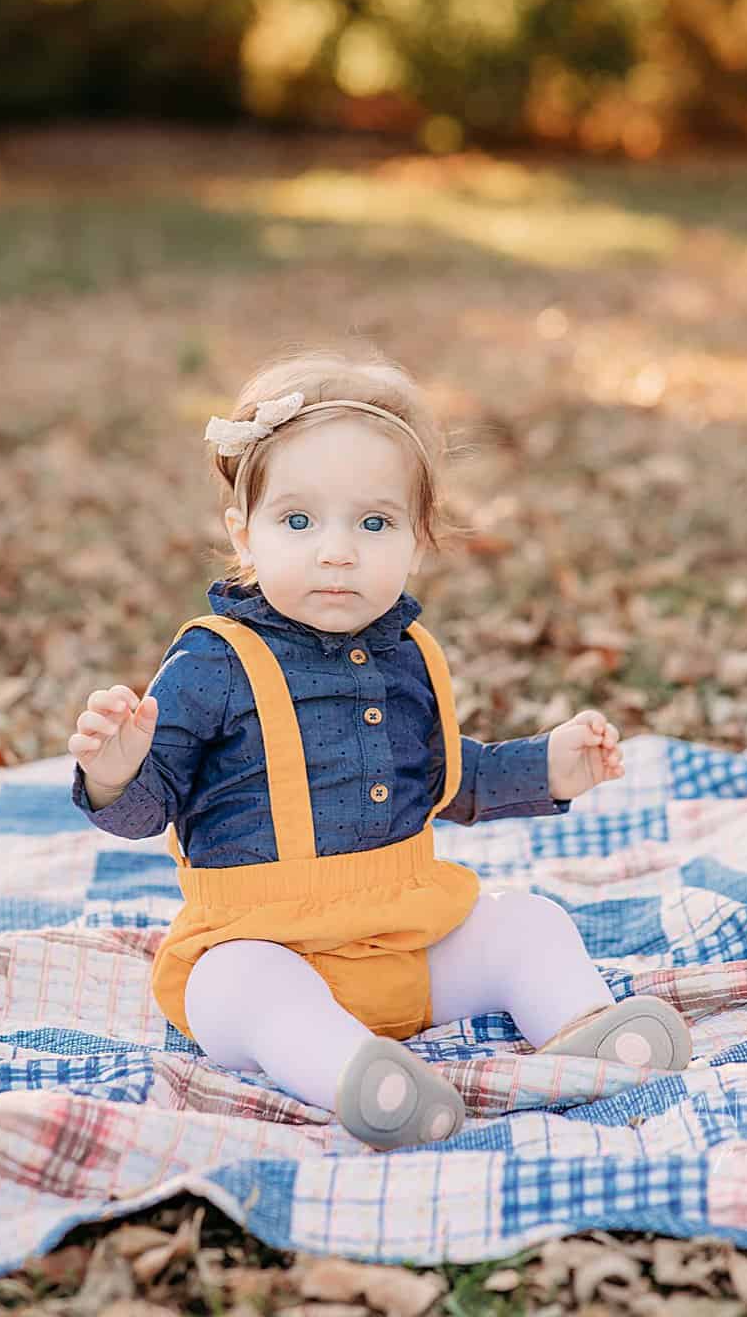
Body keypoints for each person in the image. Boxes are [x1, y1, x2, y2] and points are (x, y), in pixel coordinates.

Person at [69, 350, 691, 1151]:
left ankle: (585, 1033)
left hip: (405, 941)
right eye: (298, 521)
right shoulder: (213, 662)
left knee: (527, 922)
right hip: (267, 942)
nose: (338, 552)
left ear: (418, 539)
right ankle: (360, 1078)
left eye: (374, 522)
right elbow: (150, 807)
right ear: (243, 531)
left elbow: (448, 781)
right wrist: (114, 768)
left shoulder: (409, 657)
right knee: (241, 988)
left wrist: (549, 767)